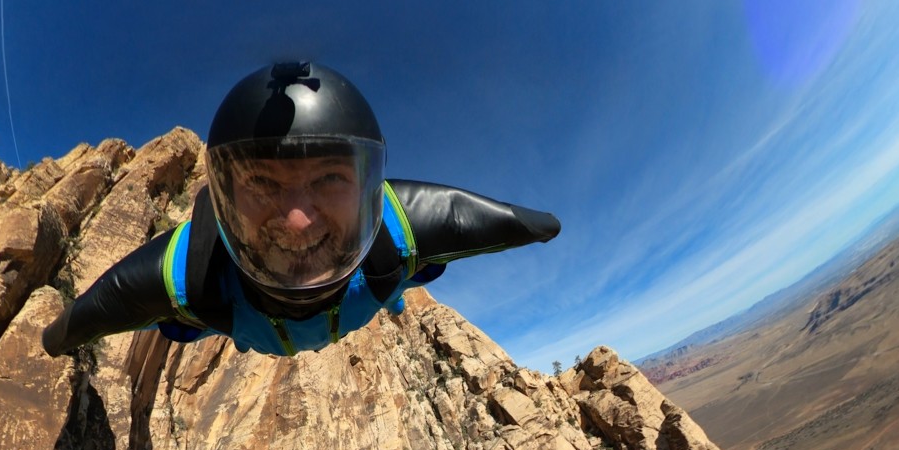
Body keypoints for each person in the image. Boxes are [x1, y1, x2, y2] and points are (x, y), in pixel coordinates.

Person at [41, 62, 560, 358]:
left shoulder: (395, 232)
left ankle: (398, 289)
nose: (297, 220)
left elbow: (89, 319)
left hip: (270, 314)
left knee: (406, 270)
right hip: (321, 298)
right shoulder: (191, 272)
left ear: (366, 186)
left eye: (331, 177)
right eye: (261, 183)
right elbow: (94, 312)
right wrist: (61, 334)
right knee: (184, 319)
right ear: (222, 196)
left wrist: (62, 337)